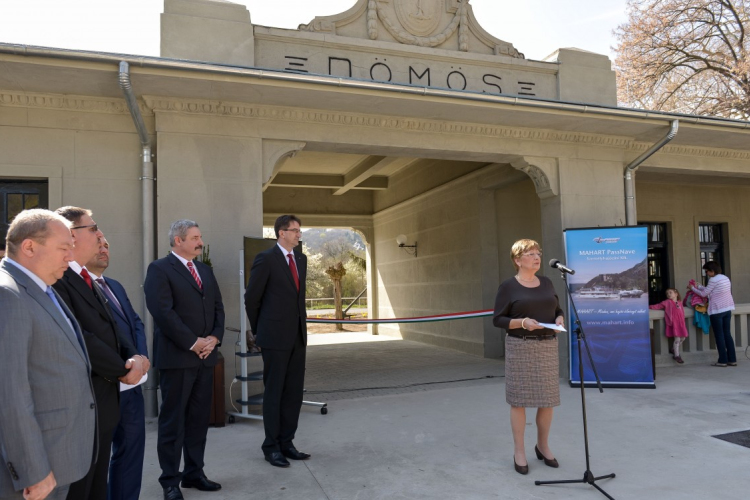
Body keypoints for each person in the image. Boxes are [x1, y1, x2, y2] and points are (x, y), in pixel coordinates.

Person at [0, 210, 96, 500]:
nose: (71, 256)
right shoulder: (9, 296)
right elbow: (9, 394)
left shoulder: (42, 289)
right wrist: (33, 470)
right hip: (36, 473)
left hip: (59, 455)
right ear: (29, 247)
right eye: (64, 248)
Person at [52, 207, 147, 500]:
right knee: (82, 485)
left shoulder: (90, 280)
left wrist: (137, 359)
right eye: (93, 230)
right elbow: (80, 335)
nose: (100, 236)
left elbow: (119, 327)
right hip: (88, 396)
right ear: (71, 236)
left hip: (110, 394)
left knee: (99, 477)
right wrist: (123, 367)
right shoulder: (59, 278)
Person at [144, 220, 224, 500]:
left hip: (205, 358)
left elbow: (217, 307)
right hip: (178, 359)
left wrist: (214, 338)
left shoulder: (205, 270)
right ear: (178, 240)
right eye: (194, 238)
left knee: (198, 421)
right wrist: (193, 342)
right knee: (173, 423)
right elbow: (163, 312)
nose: (200, 242)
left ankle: (194, 473)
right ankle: (169, 481)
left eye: (200, 237)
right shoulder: (159, 269)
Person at [493, 239, 564, 475]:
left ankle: (542, 446)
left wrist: (559, 320)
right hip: (520, 347)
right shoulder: (508, 287)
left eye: (538, 253)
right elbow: (498, 319)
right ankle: (519, 450)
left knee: (547, 400)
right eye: (531, 253)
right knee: (519, 400)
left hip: (546, 346)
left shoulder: (546, 282)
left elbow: (557, 309)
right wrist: (522, 322)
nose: (537, 257)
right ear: (517, 260)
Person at [85, 238, 149, 500]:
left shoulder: (115, 286)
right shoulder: (76, 288)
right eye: (98, 244)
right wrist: (122, 368)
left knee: (131, 452)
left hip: (132, 386)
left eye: (107, 246)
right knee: (97, 461)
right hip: (106, 384)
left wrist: (141, 357)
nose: (104, 249)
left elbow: (135, 323)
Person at [245, 214, 310, 468]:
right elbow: (252, 298)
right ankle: (270, 447)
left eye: (299, 231)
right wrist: (259, 331)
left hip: (298, 337)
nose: (298, 234)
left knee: (293, 393)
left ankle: (287, 442)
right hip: (274, 338)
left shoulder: (301, 259)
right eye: (294, 230)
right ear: (281, 233)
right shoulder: (266, 259)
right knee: (274, 392)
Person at [688, 261, 736, 367]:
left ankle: (722, 360)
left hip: (717, 310)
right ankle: (732, 359)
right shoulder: (725, 278)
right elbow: (711, 290)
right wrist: (699, 286)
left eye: (707, 271)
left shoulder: (713, 280)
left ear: (712, 271)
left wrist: (692, 289)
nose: (707, 273)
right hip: (727, 308)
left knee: (719, 335)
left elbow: (704, 294)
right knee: (727, 334)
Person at [649, 288, 688, 364]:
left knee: (683, 338)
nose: (669, 294)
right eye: (667, 293)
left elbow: (682, 313)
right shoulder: (667, 302)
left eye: (670, 292)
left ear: (676, 294)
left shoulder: (680, 303)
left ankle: (673, 349)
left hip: (681, 323)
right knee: (677, 339)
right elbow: (657, 306)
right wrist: (648, 307)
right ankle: (676, 355)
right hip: (674, 324)